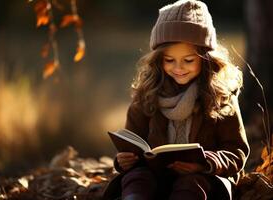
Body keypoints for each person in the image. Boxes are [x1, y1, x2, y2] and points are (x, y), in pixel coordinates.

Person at [103, 0, 250, 199]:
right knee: (137, 178)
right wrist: (123, 161)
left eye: (188, 60)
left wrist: (206, 162)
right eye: (169, 60)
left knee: (192, 184)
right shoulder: (146, 96)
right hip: (156, 178)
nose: (178, 68)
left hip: (202, 181)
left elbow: (237, 151)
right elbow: (131, 142)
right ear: (158, 60)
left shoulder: (221, 98)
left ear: (206, 59)